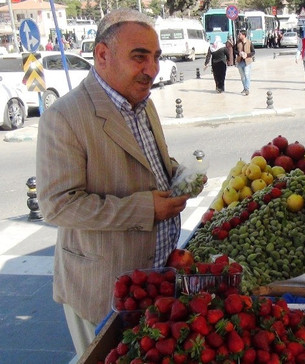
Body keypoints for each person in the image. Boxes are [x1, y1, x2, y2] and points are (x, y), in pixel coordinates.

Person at [35, 8, 193, 358]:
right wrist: (145, 209)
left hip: (156, 275)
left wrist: (181, 175)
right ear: (102, 55)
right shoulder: (64, 117)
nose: (151, 69)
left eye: (155, 57)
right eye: (140, 57)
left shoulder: (142, 102)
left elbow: (152, 162)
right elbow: (58, 205)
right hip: (103, 291)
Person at [235, 29, 255, 96]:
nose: (239, 35)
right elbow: (234, 50)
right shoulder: (238, 42)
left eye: (240, 34)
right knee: (242, 76)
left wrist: (247, 55)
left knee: (247, 74)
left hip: (247, 61)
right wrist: (239, 53)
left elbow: (253, 52)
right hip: (240, 61)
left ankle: (247, 89)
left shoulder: (249, 42)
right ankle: (245, 88)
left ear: (244, 35)